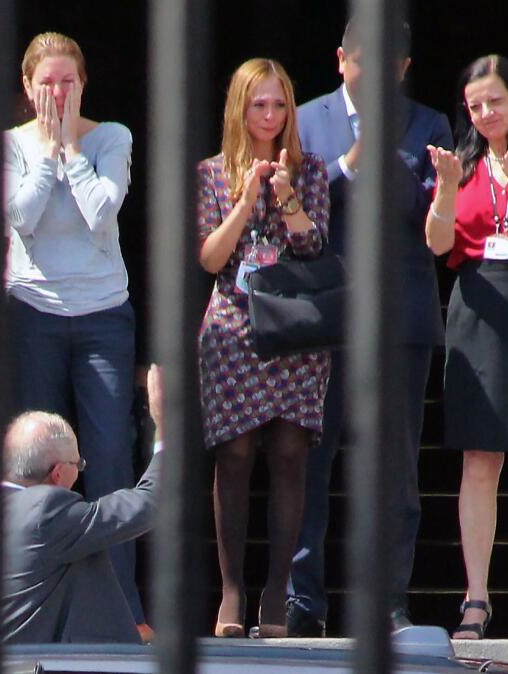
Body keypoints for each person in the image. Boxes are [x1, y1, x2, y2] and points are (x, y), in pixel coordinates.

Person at [287, 19, 453, 636]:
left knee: (395, 469)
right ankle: (303, 602)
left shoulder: (429, 125)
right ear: (341, 59)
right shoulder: (306, 121)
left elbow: (433, 219)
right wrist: (352, 162)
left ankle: (388, 603)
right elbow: (295, 208)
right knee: (311, 460)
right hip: (323, 318)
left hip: (400, 319)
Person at [3, 31, 146, 635]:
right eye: (46, 83)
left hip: (103, 314)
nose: (57, 93)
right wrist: (47, 154)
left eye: (67, 81)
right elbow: (21, 217)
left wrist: (70, 150)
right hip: (32, 309)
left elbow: (100, 212)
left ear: (83, 83)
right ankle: (32, 606)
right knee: (35, 463)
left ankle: (126, 614)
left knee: (109, 456)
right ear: (27, 88)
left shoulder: (112, 136)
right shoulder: (10, 145)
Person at [196, 58, 332, 639]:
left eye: (279, 105)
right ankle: (232, 591)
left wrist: (288, 199)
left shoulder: (312, 170)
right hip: (234, 326)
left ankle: (277, 593)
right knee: (234, 456)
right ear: (240, 109)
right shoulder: (210, 173)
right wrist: (247, 196)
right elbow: (209, 257)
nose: (270, 116)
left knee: (289, 456)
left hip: (298, 330)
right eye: (259, 105)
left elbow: (317, 248)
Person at [425, 55, 508, 640]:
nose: (485, 113)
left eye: (495, 102)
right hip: (475, 308)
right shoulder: (463, 160)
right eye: (475, 105)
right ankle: (475, 597)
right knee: (478, 459)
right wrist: (447, 191)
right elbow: (437, 243)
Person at [0, 366, 164, 645]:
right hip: (22, 664)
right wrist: (165, 429)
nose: (80, 471)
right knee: (90, 542)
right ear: (58, 472)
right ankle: (116, 644)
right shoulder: (46, 509)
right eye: (79, 464)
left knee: (84, 547)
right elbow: (147, 505)